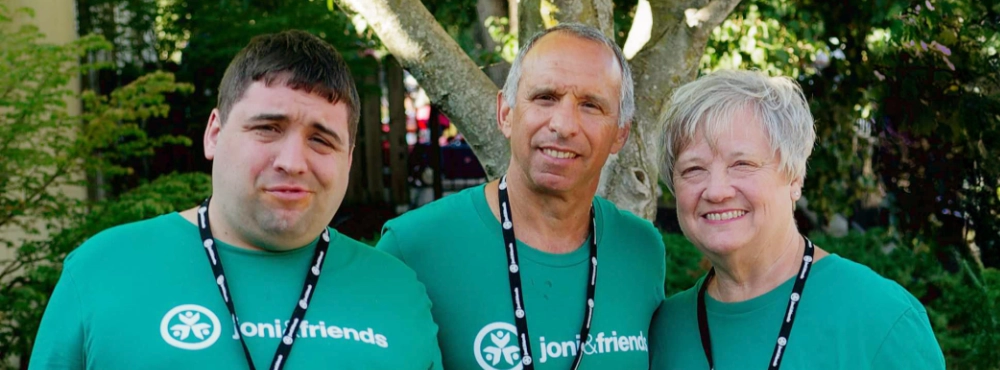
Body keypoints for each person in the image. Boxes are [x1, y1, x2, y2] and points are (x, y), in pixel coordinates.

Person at [30, 30, 442, 370]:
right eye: (267, 128)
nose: (293, 162)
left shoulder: (397, 292)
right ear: (214, 133)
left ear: (348, 159)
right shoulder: (103, 269)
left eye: (321, 139)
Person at [376, 23, 665, 369]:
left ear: (620, 133)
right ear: (506, 113)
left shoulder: (642, 250)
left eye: (590, 105)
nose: (563, 124)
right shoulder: (412, 248)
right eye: (545, 98)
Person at [649, 69, 945, 369]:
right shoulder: (666, 330)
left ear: (794, 177)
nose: (716, 191)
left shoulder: (882, 318)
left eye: (742, 163)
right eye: (693, 169)